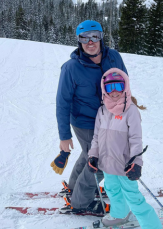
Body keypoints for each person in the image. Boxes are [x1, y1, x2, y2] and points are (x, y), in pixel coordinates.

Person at [53, 20, 128, 214]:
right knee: (100, 161)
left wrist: (126, 109)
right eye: (84, 37)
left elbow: (124, 83)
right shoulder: (70, 68)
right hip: (84, 121)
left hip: (108, 118)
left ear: (101, 37)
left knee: (88, 155)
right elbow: (63, 103)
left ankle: (73, 188)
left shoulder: (113, 57)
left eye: (95, 36)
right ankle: (80, 203)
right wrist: (64, 136)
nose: (90, 41)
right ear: (79, 40)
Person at [87, 68, 162, 229]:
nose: (114, 92)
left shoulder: (131, 111)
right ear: (104, 89)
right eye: (109, 87)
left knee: (133, 197)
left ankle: (152, 226)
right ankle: (119, 214)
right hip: (107, 164)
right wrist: (93, 155)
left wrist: (136, 162)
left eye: (118, 87)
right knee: (112, 190)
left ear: (125, 87)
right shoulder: (101, 111)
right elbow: (96, 138)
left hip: (125, 166)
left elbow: (136, 140)